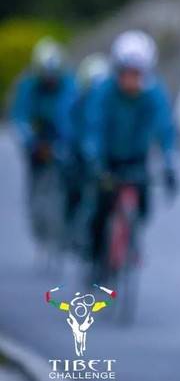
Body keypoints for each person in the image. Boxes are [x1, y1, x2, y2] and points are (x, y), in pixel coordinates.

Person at [83, 30, 178, 283]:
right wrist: (93, 159)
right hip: (108, 159)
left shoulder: (154, 93)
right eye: (127, 72)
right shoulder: (104, 91)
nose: (131, 79)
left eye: (137, 73)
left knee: (143, 205)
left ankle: (130, 238)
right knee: (100, 210)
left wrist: (170, 162)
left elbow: (165, 129)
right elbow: (93, 127)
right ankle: (95, 259)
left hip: (137, 159)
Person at [10, 37, 77, 243]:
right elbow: (20, 116)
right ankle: (36, 214)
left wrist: (65, 143)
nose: (50, 79)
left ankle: (68, 220)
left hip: (59, 136)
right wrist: (30, 141)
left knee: (71, 176)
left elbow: (70, 115)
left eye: (53, 74)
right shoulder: (28, 86)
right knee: (35, 176)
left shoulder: (68, 84)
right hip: (37, 139)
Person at [66, 53, 110, 254]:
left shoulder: (105, 101)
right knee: (74, 187)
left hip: (98, 154)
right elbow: (68, 124)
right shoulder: (77, 100)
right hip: (78, 152)